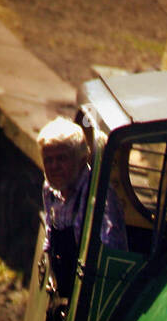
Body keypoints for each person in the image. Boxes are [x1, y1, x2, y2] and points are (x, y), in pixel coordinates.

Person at [37, 118, 127, 299]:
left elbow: (106, 265)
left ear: (81, 159)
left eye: (61, 158)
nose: (54, 166)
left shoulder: (100, 199)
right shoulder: (50, 188)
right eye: (48, 160)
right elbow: (49, 238)